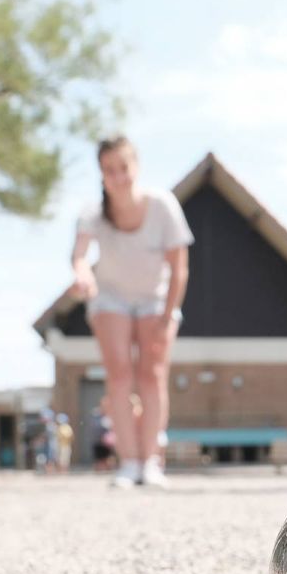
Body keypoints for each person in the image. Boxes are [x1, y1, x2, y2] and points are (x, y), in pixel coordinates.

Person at [68, 136, 193, 488]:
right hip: (111, 298)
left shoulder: (163, 206)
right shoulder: (93, 213)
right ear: (102, 174)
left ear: (135, 167)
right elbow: (79, 256)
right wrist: (82, 275)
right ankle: (129, 461)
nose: (118, 176)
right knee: (120, 375)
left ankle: (151, 461)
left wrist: (168, 315)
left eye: (123, 167)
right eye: (109, 170)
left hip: (156, 298)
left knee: (152, 374)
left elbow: (179, 268)